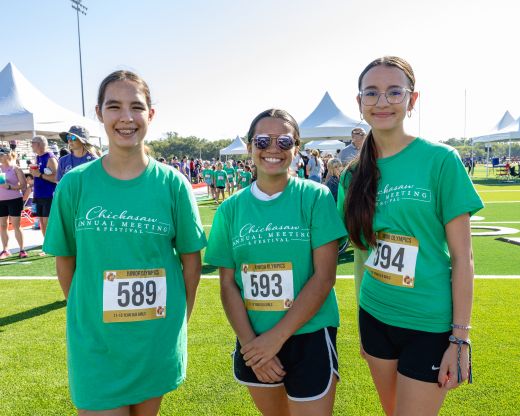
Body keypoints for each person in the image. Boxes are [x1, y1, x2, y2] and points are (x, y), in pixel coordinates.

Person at [43, 70, 207, 415]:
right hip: (96, 343)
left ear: (151, 114)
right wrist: (87, 314)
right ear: (99, 112)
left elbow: (191, 262)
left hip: (155, 338)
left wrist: (179, 320)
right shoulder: (75, 184)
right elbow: (65, 259)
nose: (126, 117)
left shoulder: (173, 184)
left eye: (137, 106)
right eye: (114, 106)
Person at [338, 56, 484, 416]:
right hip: (375, 316)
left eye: (394, 92)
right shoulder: (352, 176)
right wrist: (362, 317)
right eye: (371, 92)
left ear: (412, 100)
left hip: (429, 323)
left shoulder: (441, 160)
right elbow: (362, 254)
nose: (382, 101)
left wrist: (460, 337)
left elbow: (463, 257)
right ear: (359, 102)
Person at [205, 109, 347, 416]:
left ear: (296, 148)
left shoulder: (316, 197)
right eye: (262, 141)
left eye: (284, 141)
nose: (273, 148)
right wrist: (253, 345)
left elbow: (324, 277)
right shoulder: (230, 210)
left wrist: (276, 339)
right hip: (254, 341)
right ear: (249, 147)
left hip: (310, 335)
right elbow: (227, 285)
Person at [0, 147, 27, 259]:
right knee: (2, 225)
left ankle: (22, 249)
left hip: (14, 200)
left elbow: (24, 185)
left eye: (1, 155)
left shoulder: (16, 168)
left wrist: (10, 187)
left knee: (16, 225)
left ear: (7, 155)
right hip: (1, 201)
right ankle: (5, 250)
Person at [30, 135, 57, 240]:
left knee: (48, 223)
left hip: (48, 195)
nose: (31, 145)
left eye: (32, 143)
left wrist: (39, 175)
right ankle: (46, 245)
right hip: (39, 195)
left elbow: (57, 178)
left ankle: (53, 244)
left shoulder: (50, 158)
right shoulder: (38, 157)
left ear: (38, 144)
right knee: (41, 223)